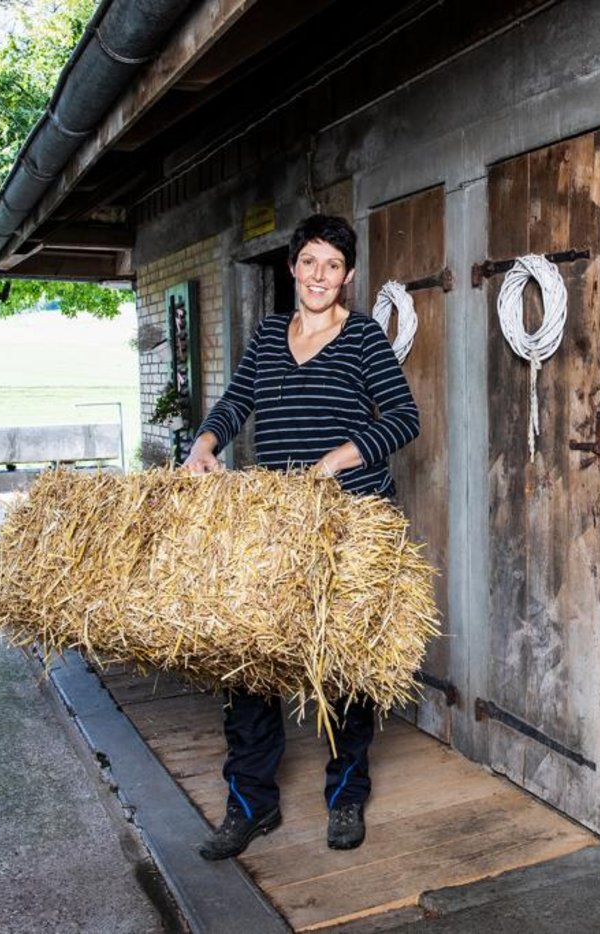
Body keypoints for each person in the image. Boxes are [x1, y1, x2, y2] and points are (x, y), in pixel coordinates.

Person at [184, 214, 420, 859]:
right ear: (293, 267)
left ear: (347, 276)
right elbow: (237, 401)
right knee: (251, 662)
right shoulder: (266, 335)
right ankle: (250, 806)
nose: (320, 276)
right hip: (277, 524)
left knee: (343, 666)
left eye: (333, 266)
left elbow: (404, 418)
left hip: (348, 522)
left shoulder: (364, 337)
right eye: (310, 262)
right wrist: (205, 441)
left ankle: (346, 795)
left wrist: (338, 459)